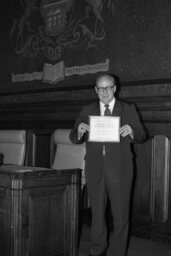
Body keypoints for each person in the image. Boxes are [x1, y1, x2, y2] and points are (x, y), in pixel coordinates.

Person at [69, 73, 146, 256]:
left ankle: (118, 253)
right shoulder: (87, 110)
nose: (104, 91)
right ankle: (97, 250)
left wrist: (132, 131)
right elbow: (74, 137)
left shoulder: (128, 109)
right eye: (100, 88)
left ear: (114, 88)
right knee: (97, 215)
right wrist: (79, 132)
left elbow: (143, 136)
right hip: (95, 169)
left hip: (120, 170)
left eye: (108, 87)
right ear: (95, 90)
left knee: (120, 217)